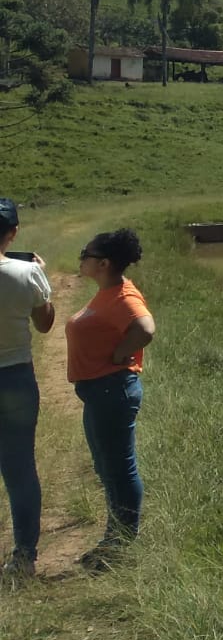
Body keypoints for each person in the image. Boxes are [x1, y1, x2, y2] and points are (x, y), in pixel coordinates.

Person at [67, 228, 153, 571]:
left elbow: (145, 328)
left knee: (119, 469)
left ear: (102, 263)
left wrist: (119, 355)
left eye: (84, 255)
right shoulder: (108, 291)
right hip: (100, 392)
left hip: (111, 390)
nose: (81, 259)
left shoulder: (121, 296)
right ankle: (113, 539)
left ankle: (119, 547)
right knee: (107, 467)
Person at [0, 198, 54, 583]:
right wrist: (41, 279)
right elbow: (45, 324)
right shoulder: (25, 273)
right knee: (20, 470)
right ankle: (24, 557)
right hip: (14, 377)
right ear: (13, 233)